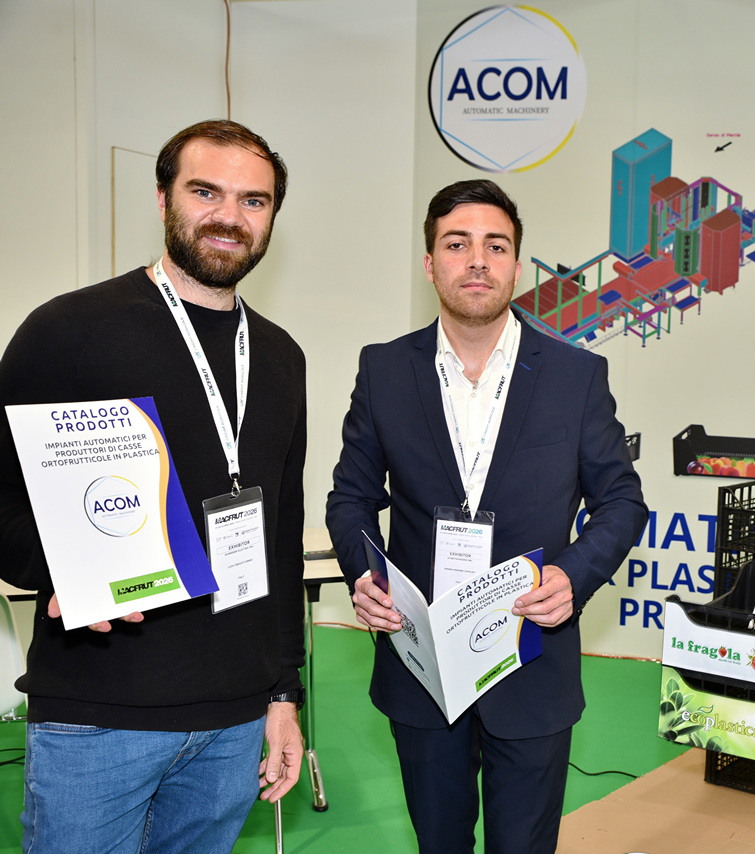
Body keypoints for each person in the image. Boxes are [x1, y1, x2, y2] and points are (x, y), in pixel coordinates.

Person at [0, 119, 308, 853]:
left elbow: (281, 534)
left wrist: (282, 693)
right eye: (206, 192)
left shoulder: (280, 357)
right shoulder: (69, 330)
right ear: (164, 198)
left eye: (254, 200)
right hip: (100, 714)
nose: (230, 216)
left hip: (235, 721)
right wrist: (55, 569)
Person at [326, 179, 646, 853]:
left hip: (531, 658)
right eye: (457, 244)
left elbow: (621, 500)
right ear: (429, 263)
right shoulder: (384, 370)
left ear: (517, 265)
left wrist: (574, 574)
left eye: (495, 246)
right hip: (422, 663)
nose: (477, 260)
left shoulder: (575, 377)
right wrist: (365, 573)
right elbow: (350, 496)